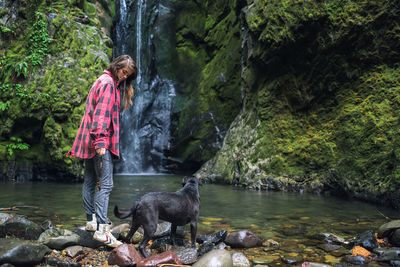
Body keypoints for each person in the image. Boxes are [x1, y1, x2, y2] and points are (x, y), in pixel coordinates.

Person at [67, 55, 138, 247]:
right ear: (116, 66)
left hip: (88, 139)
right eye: (123, 72)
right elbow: (101, 116)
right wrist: (100, 142)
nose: (124, 77)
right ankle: (102, 230)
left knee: (90, 181)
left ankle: (91, 222)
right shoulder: (108, 84)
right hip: (100, 141)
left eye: (128, 75)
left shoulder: (102, 80)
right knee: (105, 185)